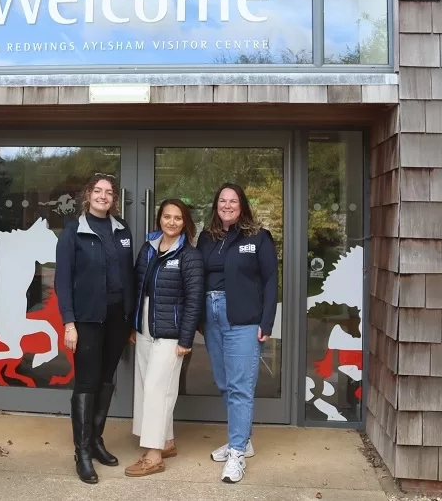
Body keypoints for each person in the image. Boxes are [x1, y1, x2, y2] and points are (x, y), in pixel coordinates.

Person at [54, 173, 136, 484]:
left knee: (105, 380)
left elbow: (128, 274)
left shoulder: (122, 229)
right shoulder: (73, 231)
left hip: (118, 319)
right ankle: (83, 452)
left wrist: (131, 319)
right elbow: (63, 280)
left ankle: (97, 440)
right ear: (88, 196)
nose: (103, 196)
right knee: (87, 383)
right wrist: (69, 323)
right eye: (98, 191)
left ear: (114, 199)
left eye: (109, 192)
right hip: (87, 320)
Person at [196, 182, 278, 484]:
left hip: (243, 319)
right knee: (225, 382)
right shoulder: (206, 238)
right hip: (212, 316)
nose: (227, 205)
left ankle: (238, 453)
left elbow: (271, 281)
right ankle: (242, 439)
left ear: (242, 205)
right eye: (222, 201)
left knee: (241, 386)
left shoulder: (258, 237)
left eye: (233, 201)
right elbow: (196, 276)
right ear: (216, 205)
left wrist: (266, 323)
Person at [126, 199, 205, 478]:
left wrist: (186, 339)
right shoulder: (148, 248)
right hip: (145, 328)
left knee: (159, 390)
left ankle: (154, 456)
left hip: (171, 334)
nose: (172, 222)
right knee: (147, 387)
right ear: (159, 219)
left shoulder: (190, 255)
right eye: (167, 217)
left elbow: (194, 300)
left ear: (185, 223)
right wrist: (133, 326)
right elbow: (137, 289)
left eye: (178, 218)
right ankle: (167, 442)